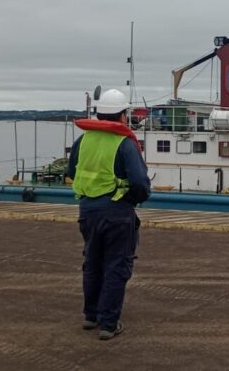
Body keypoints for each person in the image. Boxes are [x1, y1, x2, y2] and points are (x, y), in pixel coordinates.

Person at [67, 89, 150, 340]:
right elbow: (139, 182)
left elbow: (72, 169)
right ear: (123, 116)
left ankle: (91, 315)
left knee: (92, 262)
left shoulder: (84, 140)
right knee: (117, 264)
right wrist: (134, 199)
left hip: (87, 210)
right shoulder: (124, 143)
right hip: (117, 211)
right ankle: (109, 323)